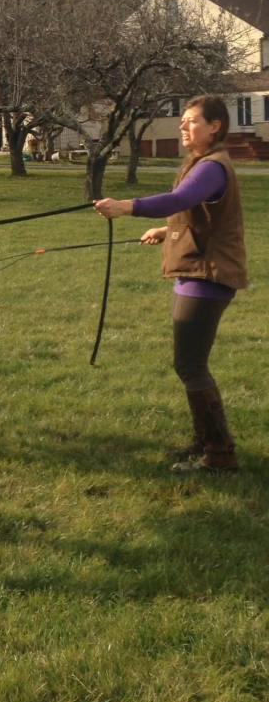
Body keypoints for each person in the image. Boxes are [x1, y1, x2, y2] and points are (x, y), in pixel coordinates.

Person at [94, 96, 247, 473]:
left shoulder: (212, 166)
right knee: (189, 364)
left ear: (214, 126)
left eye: (191, 120)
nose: (183, 126)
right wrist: (167, 230)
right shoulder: (201, 162)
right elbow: (198, 211)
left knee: (191, 365)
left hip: (207, 275)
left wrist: (126, 206)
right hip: (193, 271)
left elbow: (180, 199)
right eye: (182, 120)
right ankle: (205, 441)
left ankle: (219, 455)